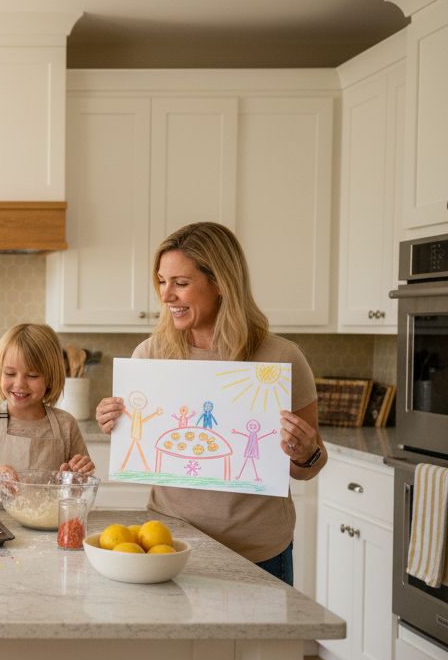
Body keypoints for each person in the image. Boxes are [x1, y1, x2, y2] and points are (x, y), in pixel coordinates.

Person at [94, 221, 326, 585]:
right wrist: (113, 422)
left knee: (256, 645)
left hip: (256, 552)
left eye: (181, 283)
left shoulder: (281, 358)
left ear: (220, 283)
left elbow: (308, 467)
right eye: (162, 281)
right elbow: (144, 445)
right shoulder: (150, 355)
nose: (166, 295)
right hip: (168, 546)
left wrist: (305, 451)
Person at [0, 323, 94, 508]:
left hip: (48, 532)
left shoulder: (65, 424)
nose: (19, 384)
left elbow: (78, 490)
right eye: (10, 373)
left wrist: (78, 477)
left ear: (50, 377)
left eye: (32, 375)